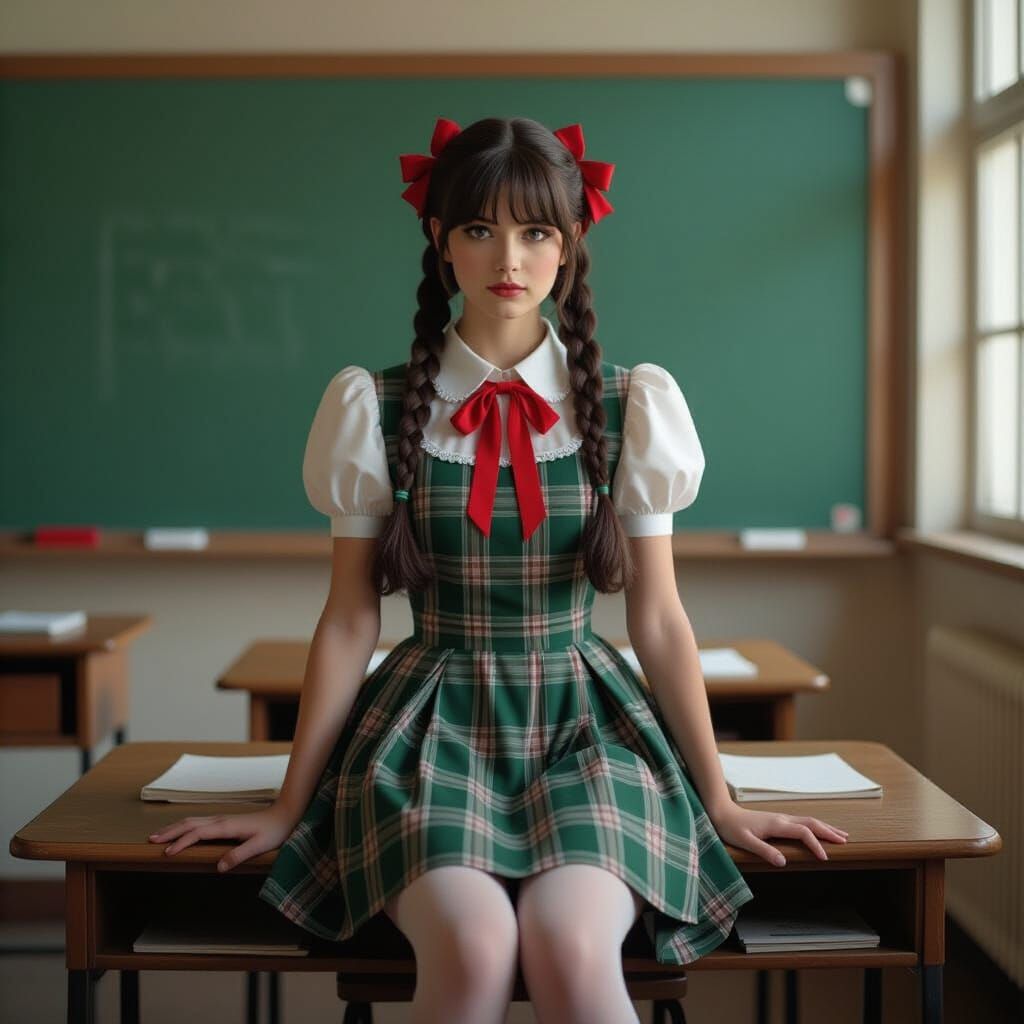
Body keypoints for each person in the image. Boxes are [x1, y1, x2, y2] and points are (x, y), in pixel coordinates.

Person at [149, 115, 849, 1024]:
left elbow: (661, 620)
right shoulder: (376, 403)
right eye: (478, 229)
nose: (506, 257)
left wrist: (719, 800)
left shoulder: (633, 405)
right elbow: (350, 619)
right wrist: (289, 805)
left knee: (567, 941)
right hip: (428, 730)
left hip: (586, 731)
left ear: (569, 245)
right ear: (440, 242)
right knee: (474, 949)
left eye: (535, 231)